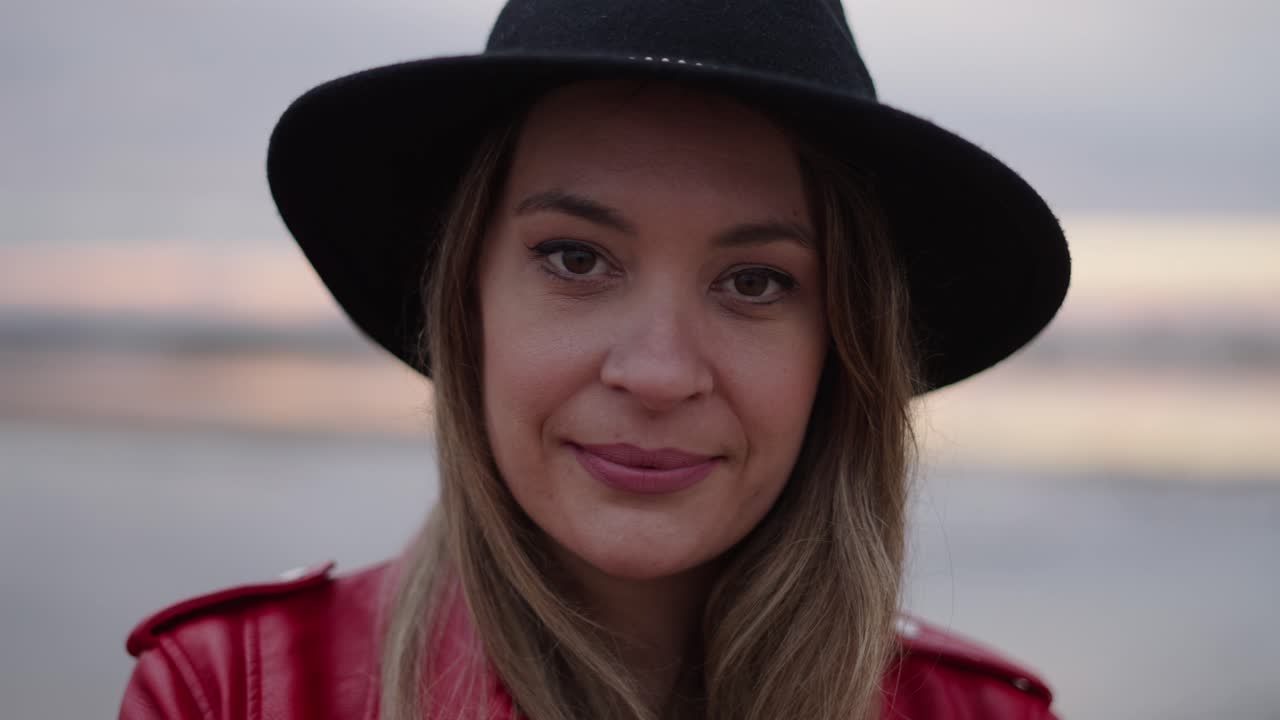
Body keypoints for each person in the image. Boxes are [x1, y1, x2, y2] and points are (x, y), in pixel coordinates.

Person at [118, 1, 1069, 719]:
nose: (657, 373)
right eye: (575, 259)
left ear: (841, 346)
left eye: (756, 282)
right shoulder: (232, 691)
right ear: (466, 304)